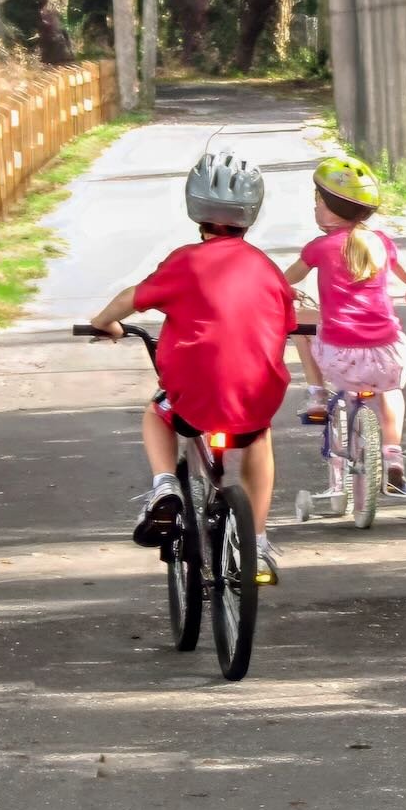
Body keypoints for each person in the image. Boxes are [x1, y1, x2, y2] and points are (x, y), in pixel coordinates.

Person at [92, 151, 295, 583]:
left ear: (195, 210)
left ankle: (165, 484)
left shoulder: (184, 261)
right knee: (258, 438)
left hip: (193, 392)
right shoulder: (267, 268)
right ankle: (256, 544)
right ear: (250, 214)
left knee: (159, 412)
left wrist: (104, 322)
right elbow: (286, 321)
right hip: (255, 392)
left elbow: (135, 297)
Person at [284, 155, 406, 492]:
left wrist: (277, 293)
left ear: (331, 209)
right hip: (388, 355)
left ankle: (317, 394)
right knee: (392, 393)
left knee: (296, 325)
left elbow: (280, 282)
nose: (316, 208)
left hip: (342, 356)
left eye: (318, 202)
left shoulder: (319, 248)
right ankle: (393, 453)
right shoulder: (380, 241)